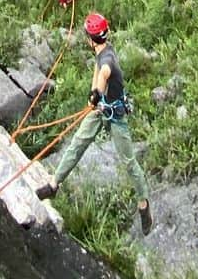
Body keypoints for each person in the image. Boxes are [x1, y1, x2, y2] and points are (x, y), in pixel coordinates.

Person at [36, 12, 152, 235]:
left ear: (90, 39)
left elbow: (105, 72)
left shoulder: (107, 59)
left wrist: (96, 94)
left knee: (129, 162)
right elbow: (98, 72)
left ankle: (144, 205)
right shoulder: (103, 52)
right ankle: (54, 184)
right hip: (100, 110)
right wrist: (92, 97)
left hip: (115, 114)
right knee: (78, 143)